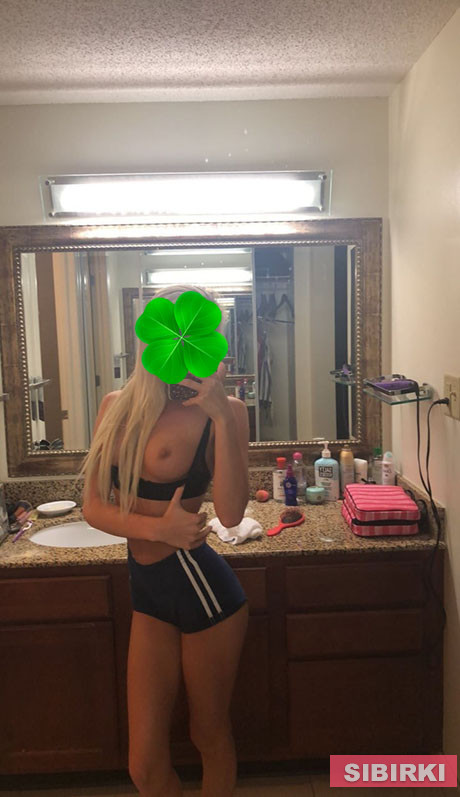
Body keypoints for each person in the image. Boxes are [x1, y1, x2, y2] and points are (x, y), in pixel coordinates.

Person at [79, 283, 250, 797]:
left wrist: (220, 414)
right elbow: (93, 507)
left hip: (202, 590)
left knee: (209, 734)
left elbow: (231, 512)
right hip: (150, 590)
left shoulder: (228, 411)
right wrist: (159, 528)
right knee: (144, 765)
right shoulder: (116, 407)